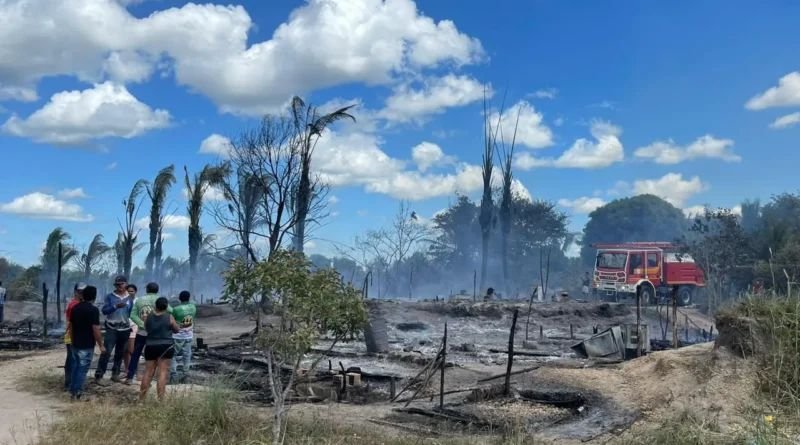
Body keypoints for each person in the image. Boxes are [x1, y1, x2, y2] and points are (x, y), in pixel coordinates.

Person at [68, 285, 105, 400]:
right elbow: (96, 329)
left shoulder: (75, 308)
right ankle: (77, 393)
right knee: (82, 369)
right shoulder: (93, 310)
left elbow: (71, 326)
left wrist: (72, 340)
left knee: (75, 367)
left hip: (75, 343)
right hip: (86, 344)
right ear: (94, 297)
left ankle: (73, 389)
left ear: (83, 295)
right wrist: (101, 345)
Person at [140, 297, 179, 400]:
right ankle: (161, 399)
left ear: (155, 306)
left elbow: (146, 328)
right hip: (166, 346)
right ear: (166, 307)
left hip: (150, 346)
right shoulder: (169, 317)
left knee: (148, 372)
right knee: (162, 372)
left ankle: (142, 398)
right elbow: (176, 330)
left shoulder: (148, 317)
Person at [96, 275, 133, 383]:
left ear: (126, 284)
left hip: (125, 328)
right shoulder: (110, 297)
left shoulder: (129, 298)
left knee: (120, 353)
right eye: (117, 284)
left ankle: (115, 374)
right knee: (106, 352)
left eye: (121, 284)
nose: (119, 286)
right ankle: (99, 374)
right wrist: (115, 306)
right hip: (112, 328)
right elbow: (104, 311)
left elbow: (130, 313)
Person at [126, 282, 162, 385]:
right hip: (155, 334)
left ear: (146, 290)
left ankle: (129, 378)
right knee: (152, 358)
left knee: (135, 355)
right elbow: (169, 311)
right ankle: (149, 380)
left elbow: (133, 316)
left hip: (141, 332)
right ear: (157, 290)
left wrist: (142, 324)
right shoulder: (160, 300)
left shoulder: (140, 300)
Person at [170, 290, 197, 384]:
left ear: (179, 298)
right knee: (187, 355)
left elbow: (172, 321)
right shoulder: (193, 307)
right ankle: (185, 374)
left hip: (177, 335)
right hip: (189, 335)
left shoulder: (176, 309)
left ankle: (173, 375)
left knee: (172, 355)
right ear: (189, 298)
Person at [63, 283, 86, 392]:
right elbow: (69, 322)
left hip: (78, 334)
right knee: (72, 359)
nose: (81, 293)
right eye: (80, 291)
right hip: (71, 334)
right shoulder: (73, 304)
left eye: (83, 291)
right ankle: (69, 383)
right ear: (76, 292)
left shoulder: (81, 304)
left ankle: (73, 382)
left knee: (75, 359)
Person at [123, 284, 138, 372]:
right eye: (128, 291)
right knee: (125, 350)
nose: (129, 293)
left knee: (131, 349)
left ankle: (134, 370)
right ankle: (127, 370)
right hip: (124, 326)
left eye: (131, 291)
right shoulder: (124, 301)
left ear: (135, 292)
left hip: (134, 326)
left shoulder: (138, 301)